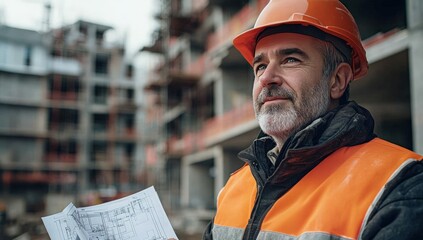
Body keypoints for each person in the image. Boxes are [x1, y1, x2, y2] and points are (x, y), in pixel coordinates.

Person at [203, 0, 423, 239]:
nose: (267, 78)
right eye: (260, 66)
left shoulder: (400, 185)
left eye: (290, 60)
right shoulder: (233, 189)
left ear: (337, 81)